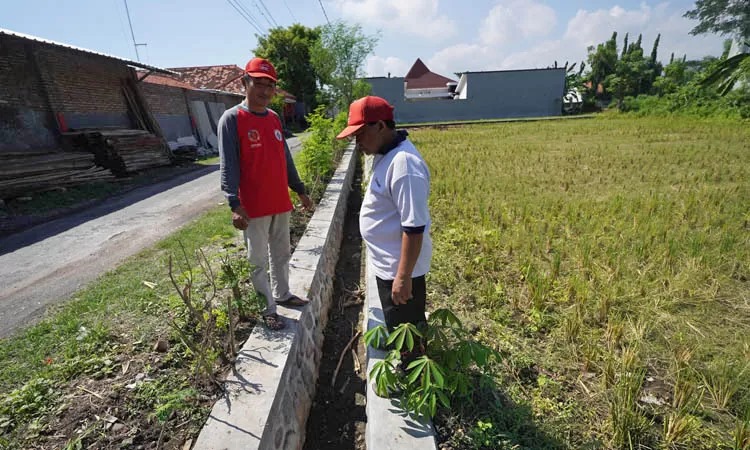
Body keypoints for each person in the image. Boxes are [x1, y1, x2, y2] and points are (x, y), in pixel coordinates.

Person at [218, 57, 313, 331]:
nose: (265, 91)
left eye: (270, 86)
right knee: (257, 261)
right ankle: (266, 308)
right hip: (254, 206)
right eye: (258, 84)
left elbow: (285, 158)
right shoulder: (233, 119)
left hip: (280, 202)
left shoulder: (273, 118)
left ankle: (283, 295)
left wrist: (300, 190)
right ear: (244, 83)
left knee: (282, 254)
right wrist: (235, 204)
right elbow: (229, 165)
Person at [335, 96, 432, 358]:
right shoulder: (385, 155)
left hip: (399, 270)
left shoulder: (404, 165)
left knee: (408, 333)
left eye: (360, 133)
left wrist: (403, 278)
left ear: (380, 126)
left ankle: (412, 382)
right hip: (388, 265)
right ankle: (405, 361)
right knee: (397, 325)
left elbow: (414, 227)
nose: (357, 142)